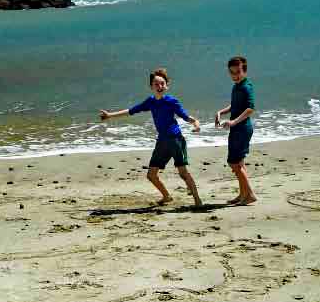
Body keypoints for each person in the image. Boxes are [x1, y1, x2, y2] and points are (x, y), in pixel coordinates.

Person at [99, 68, 202, 206]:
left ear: (167, 86)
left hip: (175, 140)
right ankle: (167, 196)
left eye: (162, 84)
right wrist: (110, 115)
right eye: (156, 84)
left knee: (183, 173)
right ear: (151, 87)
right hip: (162, 142)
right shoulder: (151, 101)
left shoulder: (172, 101)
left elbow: (186, 117)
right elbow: (131, 111)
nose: (159, 86)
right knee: (151, 175)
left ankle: (197, 200)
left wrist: (196, 124)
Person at [215, 55, 256, 205]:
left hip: (242, 129)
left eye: (238, 72)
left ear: (244, 71)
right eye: (232, 73)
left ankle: (250, 194)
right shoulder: (236, 87)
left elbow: (250, 108)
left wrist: (233, 122)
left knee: (234, 163)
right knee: (239, 163)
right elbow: (234, 106)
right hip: (236, 129)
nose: (235, 75)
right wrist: (220, 112)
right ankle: (242, 194)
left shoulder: (246, 87)